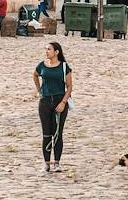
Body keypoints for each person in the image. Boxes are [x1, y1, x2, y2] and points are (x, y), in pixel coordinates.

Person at [33, 42, 73, 173]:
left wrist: (63, 102)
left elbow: (69, 87)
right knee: (46, 134)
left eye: (49, 49)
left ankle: (57, 162)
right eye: (46, 49)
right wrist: (39, 91)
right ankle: (46, 163)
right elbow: (35, 75)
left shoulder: (64, 67)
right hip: (44, 102)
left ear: (56, 52)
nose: (46, 51)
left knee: (57, 133)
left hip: (59, 101)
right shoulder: (41, 65)